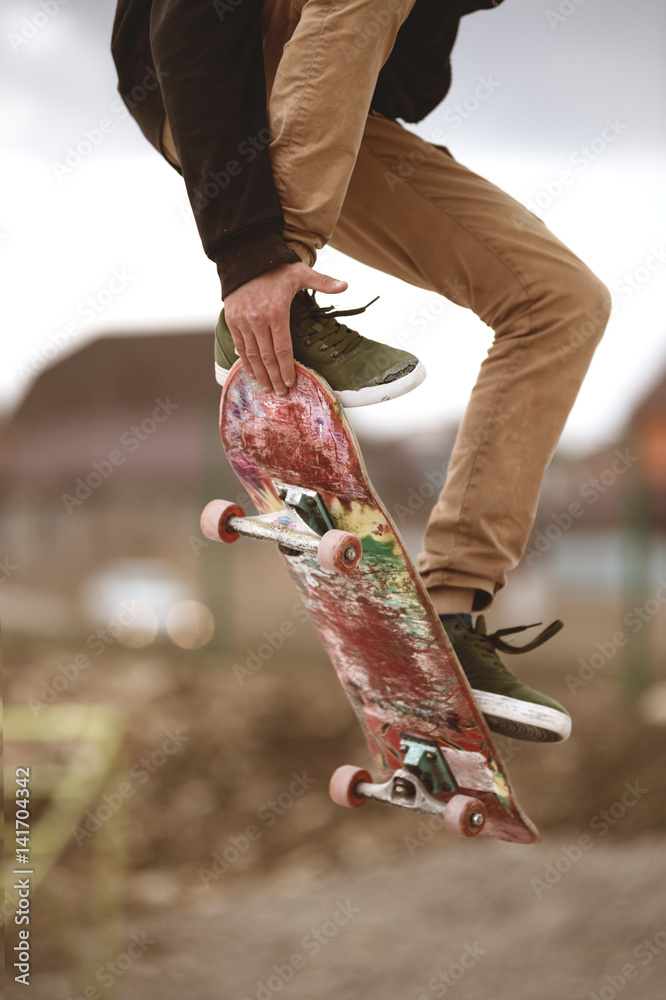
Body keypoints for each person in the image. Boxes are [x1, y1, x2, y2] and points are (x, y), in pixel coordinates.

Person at [112, 0, 611, 743]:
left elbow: (406, 90)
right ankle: (283, 289)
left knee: (562, 302)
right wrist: (251, 260)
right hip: (204, 81)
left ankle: (450, 613)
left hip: (321, 108)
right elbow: (182, 26)